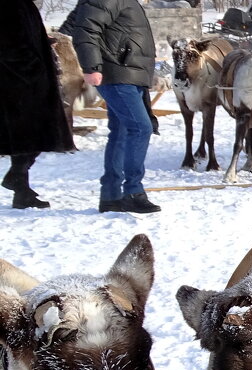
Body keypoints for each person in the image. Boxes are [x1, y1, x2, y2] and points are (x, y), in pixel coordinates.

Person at [67, 0, 160, 213]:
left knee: (122, 131)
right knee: (140, 128)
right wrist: (91, 66)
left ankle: (111, 195)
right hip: (118, 72)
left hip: (129, 72)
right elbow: (86, 29)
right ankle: (133, 192)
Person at [1, 0, 75, 209]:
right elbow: (10, 45)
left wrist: (42, 42)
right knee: (31, 132)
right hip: (19, 81)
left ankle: (20, 186)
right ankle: (18, 180)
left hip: (27, 79)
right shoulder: (10, 5)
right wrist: (32, 68)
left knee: (31, 135)